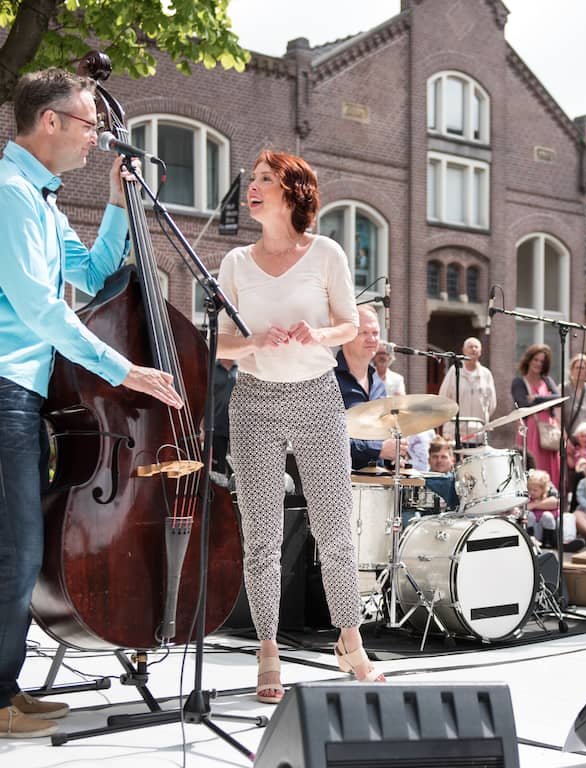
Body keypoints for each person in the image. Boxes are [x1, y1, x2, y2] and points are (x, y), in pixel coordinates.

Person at [0, 68, 186, 738]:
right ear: (49, 121)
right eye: (89, 125)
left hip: (24, 397)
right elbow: (43, 310)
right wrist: (123, 368)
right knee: (15, 552)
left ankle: (6, 689)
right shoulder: (10, 194)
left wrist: (115, 202)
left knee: (18, 549)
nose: (97, 139)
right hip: (4, 394)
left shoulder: (41, 202)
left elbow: (95, 273)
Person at [219, 150, 384, 704]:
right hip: (255, 401)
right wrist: (255, 343)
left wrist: (318, 334)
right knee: (261, 537)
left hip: (316, 396)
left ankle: (350, 641)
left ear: (293, 193)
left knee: (335, 528)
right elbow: (218, 344)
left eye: (266, 180)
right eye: (253, 180)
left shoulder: (326, 253)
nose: (253, 187)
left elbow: (348, 324)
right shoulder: (235, 263)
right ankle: (268, 650)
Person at [335, 306, 407, 470]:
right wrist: (378, 450)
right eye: (364, 333)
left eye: (375, 333)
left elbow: (381, 433)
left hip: (376, 484)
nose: (372, 339)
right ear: (345, 337)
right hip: (339, 484)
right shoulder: (327, 381)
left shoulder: (378, 383)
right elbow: (324, 438)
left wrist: (394, 455)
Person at [510, 344, 562, 480]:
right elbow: (524, 404)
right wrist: (547, 401)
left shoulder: (547, 381)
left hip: (548, 431)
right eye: (535, 360)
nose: (538, 364)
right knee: (533, 466)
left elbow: (559, 399)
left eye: (542, 361)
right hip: (531, 430)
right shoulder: (519, 382)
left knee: (552, 468)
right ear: (529, 360)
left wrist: (537, 398)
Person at [438, 337, 496, 444]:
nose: (473, 349)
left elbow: (492, 403)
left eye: (476, 347)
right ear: (464, 351)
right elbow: (443, 397)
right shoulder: (454, 371)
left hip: (478, 433)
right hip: (455, 431)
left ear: (480, 351)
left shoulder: (486, 374)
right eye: (470, 347)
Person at [212, 358, 238, 480]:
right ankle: (220, 495)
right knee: (218, 469)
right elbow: (206, 397)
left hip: (239, 426)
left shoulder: (242, 368)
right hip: (216, 425)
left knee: (241, 465)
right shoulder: (212, 368)